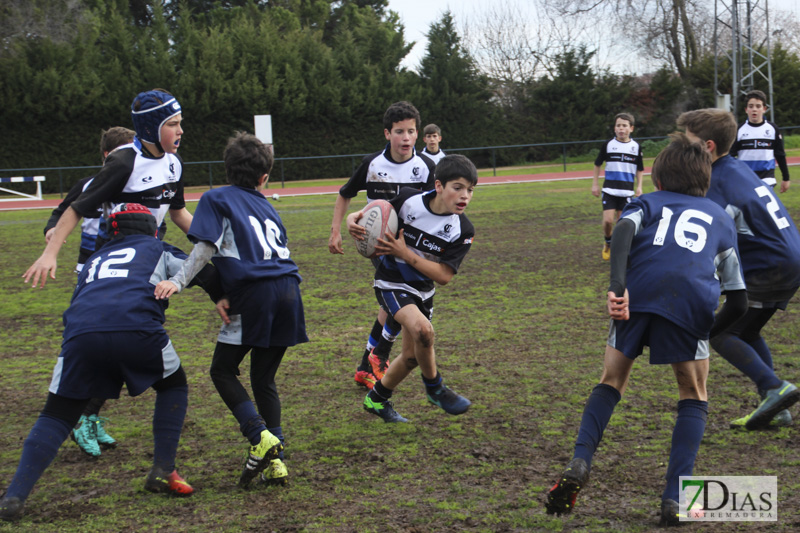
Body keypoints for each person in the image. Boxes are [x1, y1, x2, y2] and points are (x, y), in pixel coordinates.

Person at [545, 134, 748, 527]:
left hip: (637, 296)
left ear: (657, 178)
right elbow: (739, 301)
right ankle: (675, 499)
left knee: (611, 380)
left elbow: (621, 231)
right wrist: (706, 331)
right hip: (690, 303)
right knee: (693, 393)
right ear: (705, 179)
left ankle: (580, 461)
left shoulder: (648, 203)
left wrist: (617, 286)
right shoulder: (721, 217)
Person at [0, 203, 216, 522]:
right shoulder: (158, 247)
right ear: (153, 229)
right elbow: (204, 271)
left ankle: (13, 496)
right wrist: (224, 297)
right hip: (138, 329)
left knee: (57, 414)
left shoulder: (92, 261)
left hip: (81, 334)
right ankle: (163, 469)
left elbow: (80, 301)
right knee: (173, 385)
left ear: (109, 232)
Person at [154, 132, 307, 488]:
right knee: (264, 379)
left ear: (225, 169)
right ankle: (276, 462)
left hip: (255, 294)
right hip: (289, 291)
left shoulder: (216, 197)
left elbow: (206, 247)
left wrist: (177, 281)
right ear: (264, 177)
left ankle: (261, 436)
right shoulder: (268, 205)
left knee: (222, 370)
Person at [678, 108, 800, 429]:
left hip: (768, 264)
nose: (682, 147)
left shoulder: (716, 183)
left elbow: (711, 239)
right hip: (787, 257)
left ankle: (775, 388)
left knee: (718, 333)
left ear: (707, 146)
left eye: (687, 142)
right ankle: (775, 405)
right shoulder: (738, 168)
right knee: (747, 330)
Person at [347, 154, 477, 423]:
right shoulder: (408, 200)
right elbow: (374, 213)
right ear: (439, 186)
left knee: (410, 357)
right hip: (391, 281)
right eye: (458, 187)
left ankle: (377, 399)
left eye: (470, 190)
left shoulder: (461, 229)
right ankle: (435, 388)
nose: (465, 196)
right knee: (423, 330)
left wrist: (406, 253)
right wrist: (353, 218)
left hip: (423, 291)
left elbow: (443, 276)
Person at [24, 89, 192, 289]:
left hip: (149, 255)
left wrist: (215, 243)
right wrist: (49, 254)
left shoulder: (175, 162)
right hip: (114, 260)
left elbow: (179, 213)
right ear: (150, 128)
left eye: (180, 123)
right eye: (172, 124)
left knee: (206, 275)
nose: (180, 130)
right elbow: (77, 208)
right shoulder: (123, 162)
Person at [328, 101, 436, 390]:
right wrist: (338, 230)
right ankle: (381, 355)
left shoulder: (425, 167)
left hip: (410, 245)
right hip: (377, 242)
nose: (406, 138)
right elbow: (344, 195)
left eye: (411, 131)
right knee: (401, 295)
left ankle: (367, 363)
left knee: (394, 302)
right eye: (399, 131)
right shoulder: (372, 164)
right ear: (387, 134)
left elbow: (432, 208)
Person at [42, 127, 136, 458]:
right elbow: (60, 211)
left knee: (117, 350)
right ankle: (77, 415)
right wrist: (52, 230)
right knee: (99, 348)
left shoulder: (139, 187)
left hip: (123, 273)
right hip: (91, 275)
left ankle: (89, 415)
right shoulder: (87, 185)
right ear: (108, 158)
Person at [591, 113, 644, 260]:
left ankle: (620, 253)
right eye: (618, 125)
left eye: (624, 125)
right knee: (608, 221)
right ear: (615, 128)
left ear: (631, 128)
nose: (621, 128)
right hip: (609, 190)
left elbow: (640, 169)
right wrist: (595, 184)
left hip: (626, 192)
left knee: (621, 224)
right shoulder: (608, 145)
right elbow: (597, 164)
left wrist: (639, 187)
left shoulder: (636, 147)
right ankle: (608, 241)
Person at [729, 90, 791, 193]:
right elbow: (730, 155)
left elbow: (779, 154)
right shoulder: (739, 130)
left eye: (758, 106)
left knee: (762, 203)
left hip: (767, 177)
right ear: (746, 109)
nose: (754, 109)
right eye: (751, 106)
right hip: (745, 177)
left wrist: (786, 178)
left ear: (764, 109)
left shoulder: (772, 129)